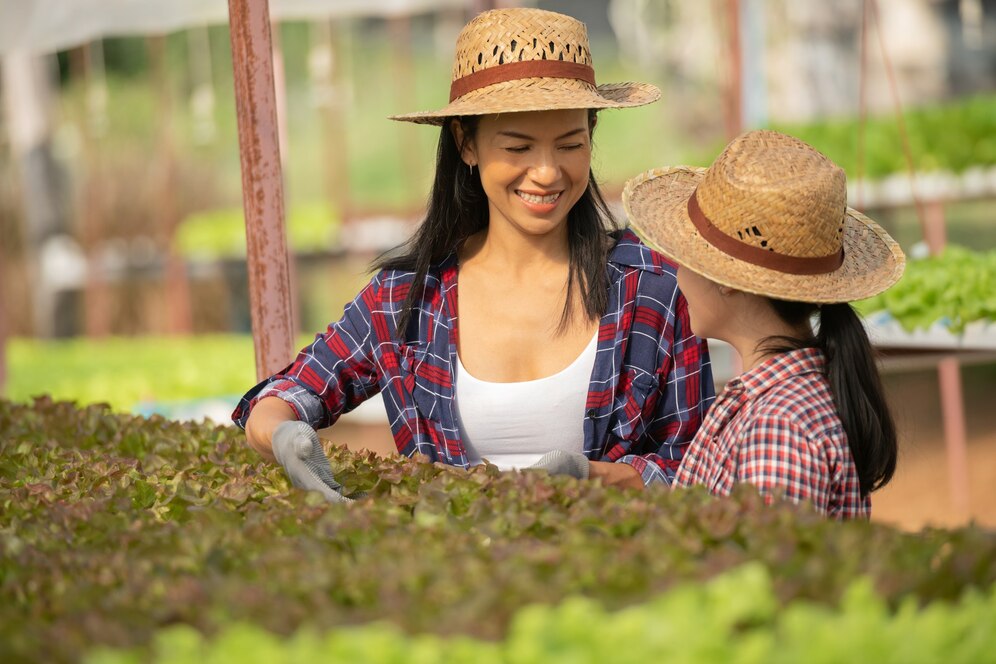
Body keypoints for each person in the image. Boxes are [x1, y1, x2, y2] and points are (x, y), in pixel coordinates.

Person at [231, 7, 715, 502]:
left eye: (570, 144)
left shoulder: (653, 288)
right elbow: (286, 395)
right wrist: (285, 435)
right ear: (466, 143)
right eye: (519, 148)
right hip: (454, 573)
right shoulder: (405, 299)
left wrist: (598, 479)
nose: (547, 172)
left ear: (592, 135)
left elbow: (702, 466)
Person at [622, 129, 905, 519]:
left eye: (684, 258)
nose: (677, 275)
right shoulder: (786, 398)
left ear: (725, 280)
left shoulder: (777, 426)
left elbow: (764, 575)